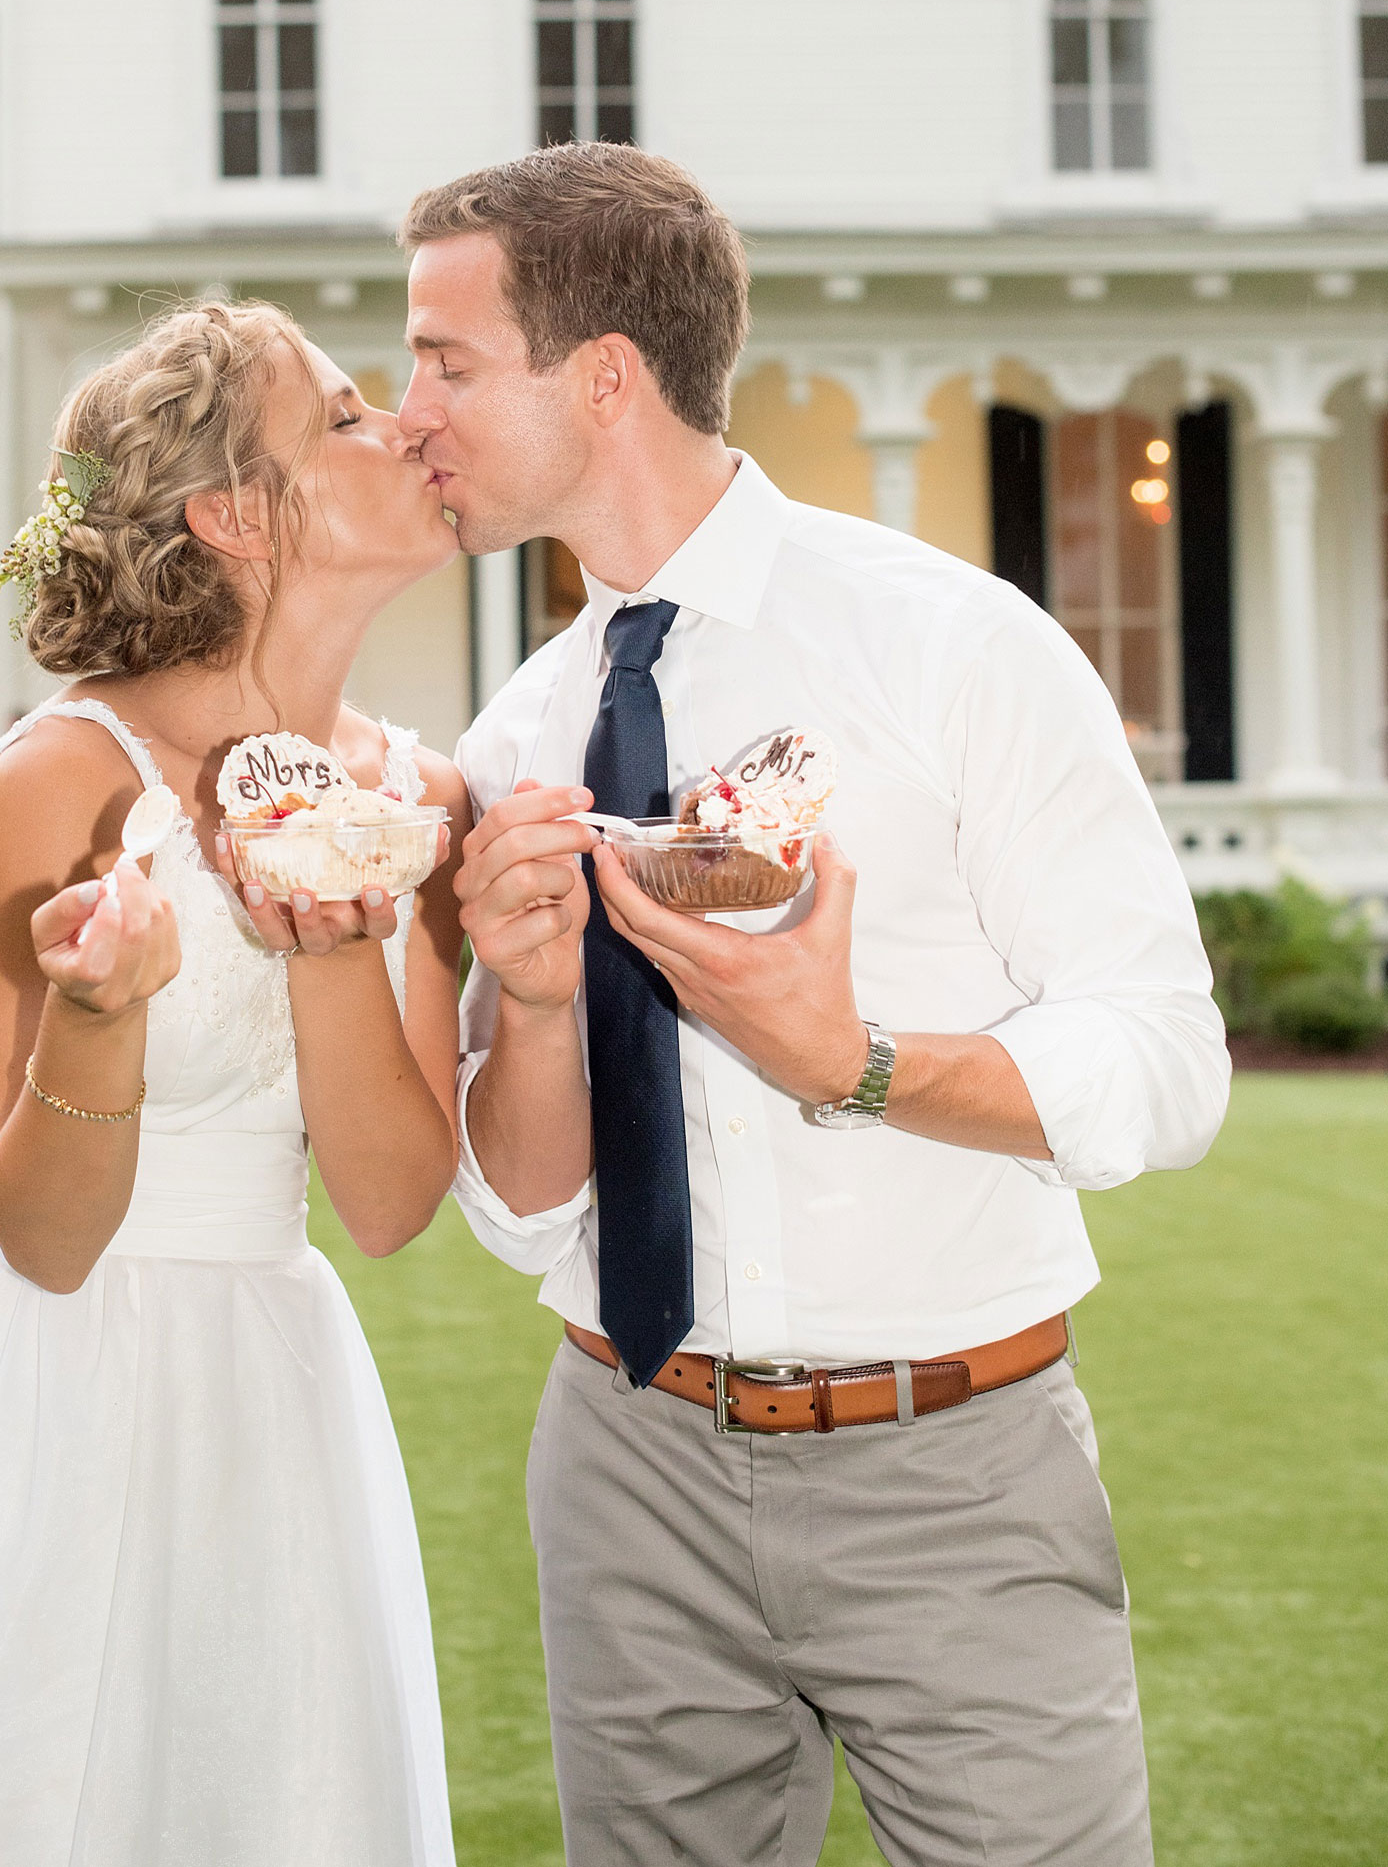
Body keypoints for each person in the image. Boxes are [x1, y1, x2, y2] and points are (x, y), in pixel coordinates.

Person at [398, 143, 1230, 1867]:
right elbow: (523, 1200)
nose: (411, 412)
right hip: (625, 1465)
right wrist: (537, 1005)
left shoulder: (955, 647)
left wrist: (845, 1061)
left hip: (955, 1465)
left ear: (603, 374)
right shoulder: (515, 741)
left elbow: (1165, 1054)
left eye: (446, 360)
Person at [0, 300, 464, 1867]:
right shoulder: (63, 781)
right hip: (48, 1395)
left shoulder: (417, 794)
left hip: (274, 1404)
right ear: (231, 514)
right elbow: (45, 1238)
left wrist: (339, 945)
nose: (401, 423)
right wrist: (104, 1013)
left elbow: (395, 1203)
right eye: (342, 415)